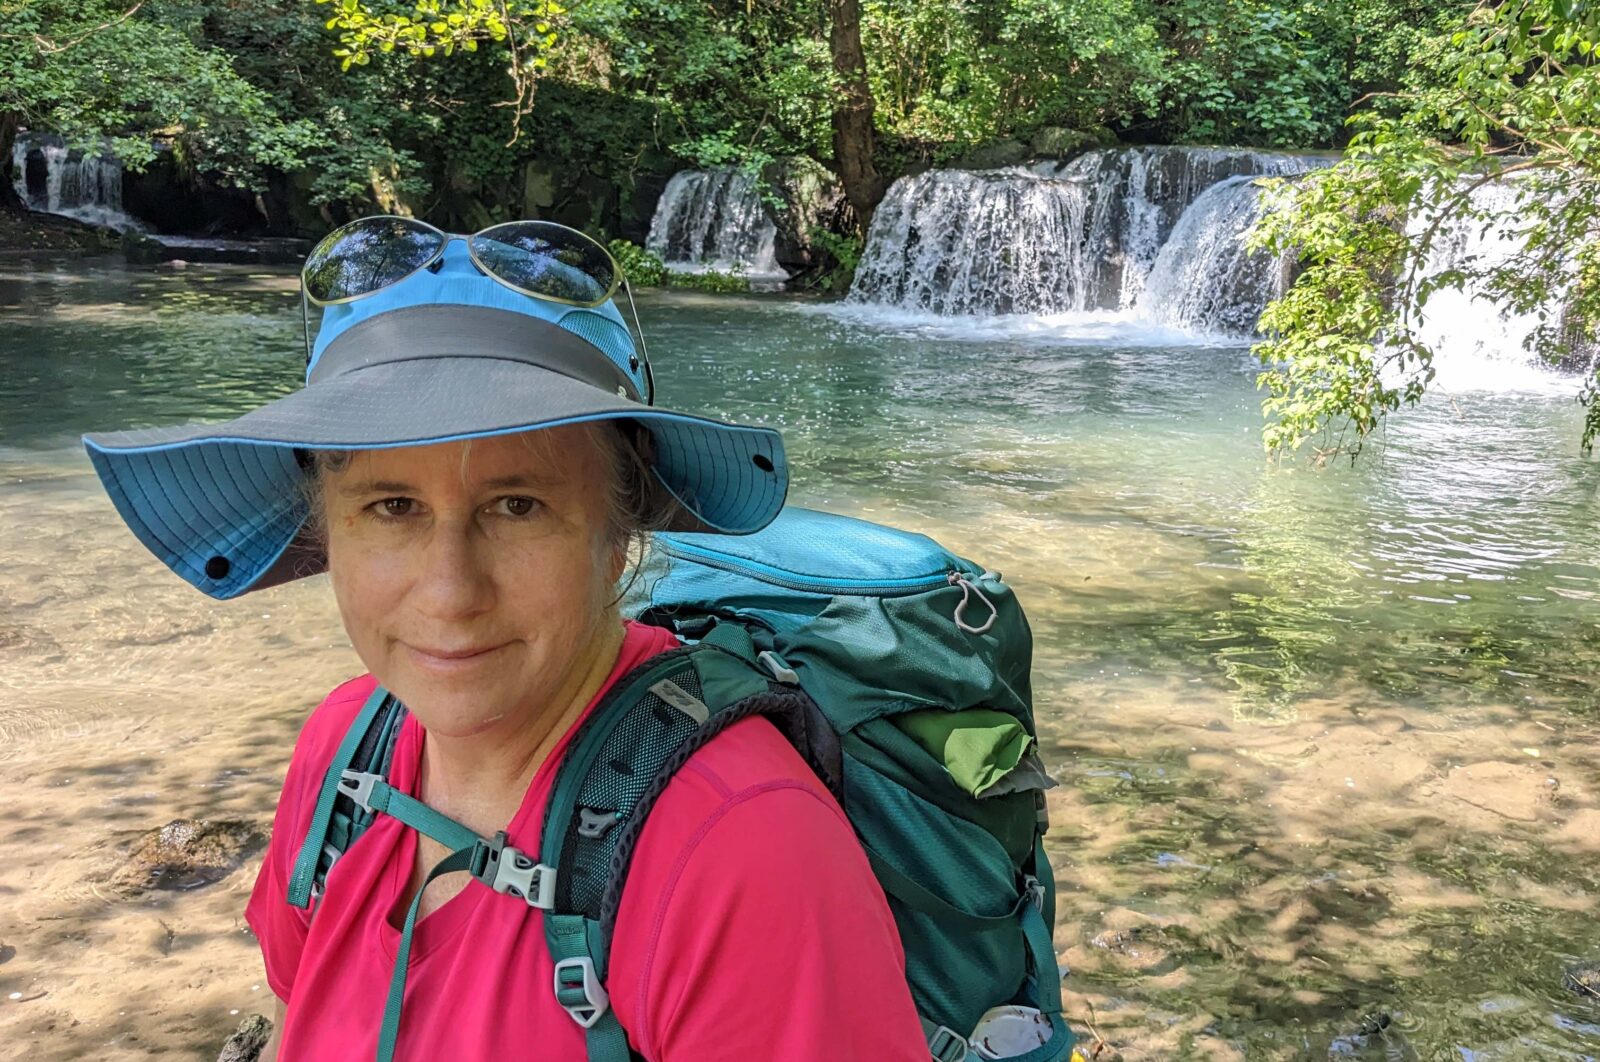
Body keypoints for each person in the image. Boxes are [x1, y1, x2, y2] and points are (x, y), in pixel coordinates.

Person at [83, 217, 929, 1060]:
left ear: (616, 537)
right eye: (392, 507)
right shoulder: (343, 750)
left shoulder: (748, 854)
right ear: (326, 534)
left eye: (516, 506)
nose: (451, 594)